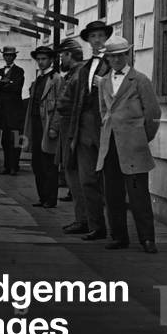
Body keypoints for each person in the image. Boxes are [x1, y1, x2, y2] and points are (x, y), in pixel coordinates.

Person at [96, 35, 162, 252]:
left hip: (134, 146)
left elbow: (153, 113)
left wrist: (142, 138)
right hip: (110, 145)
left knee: (138, 194)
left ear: (127, 55)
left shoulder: (140, 80)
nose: (115, 60)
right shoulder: (104, 81)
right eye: (111, 56)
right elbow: (104, 112)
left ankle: (147, 239)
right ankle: (118, 236)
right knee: (112, 194)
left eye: (119, 55)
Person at [72, 20, 113, 241]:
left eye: (100, 36)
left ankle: (116, 228)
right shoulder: (84, 68)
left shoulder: (115, 62)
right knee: (87, 178)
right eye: (93, 37)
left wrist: (105, 84)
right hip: (84, 126)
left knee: (109, 179)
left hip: (105, 126)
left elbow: (124, 90)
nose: (97, 41)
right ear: (88, 41)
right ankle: (96, 226)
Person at [54, 38, 88, 234]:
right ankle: (82, 218)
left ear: (69, 55)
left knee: (76, 178)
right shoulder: (74, 75)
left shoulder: (77, 75)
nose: (61, 60)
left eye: (62, 56)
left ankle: (83, 220)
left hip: (73, 133)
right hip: (69, 131)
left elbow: (65, 104)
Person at [23, 44, 61, 207]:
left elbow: (60, 104)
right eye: (38, 59)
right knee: (37, 163)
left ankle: (50, 198)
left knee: (49, 164)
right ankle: (42, 196)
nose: (40, 62)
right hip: (36, 124)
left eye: (44, 59)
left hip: (48, 125)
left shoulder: (56, 79)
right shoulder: (38, 78)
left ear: (51, 60)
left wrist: (54, 126)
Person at [0, 46, 25, 175]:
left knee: (15, 140)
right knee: (5, 140)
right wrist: (7, 82)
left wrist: (4, 82)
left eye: (11, 55)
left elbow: (16, 87)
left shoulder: (19, 71)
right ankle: (6, 165)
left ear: (14, 57)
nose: (8, 57)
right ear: (4, 57)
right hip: (2, 112)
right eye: (6, 55)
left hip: (15, 112)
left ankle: (14, 166)